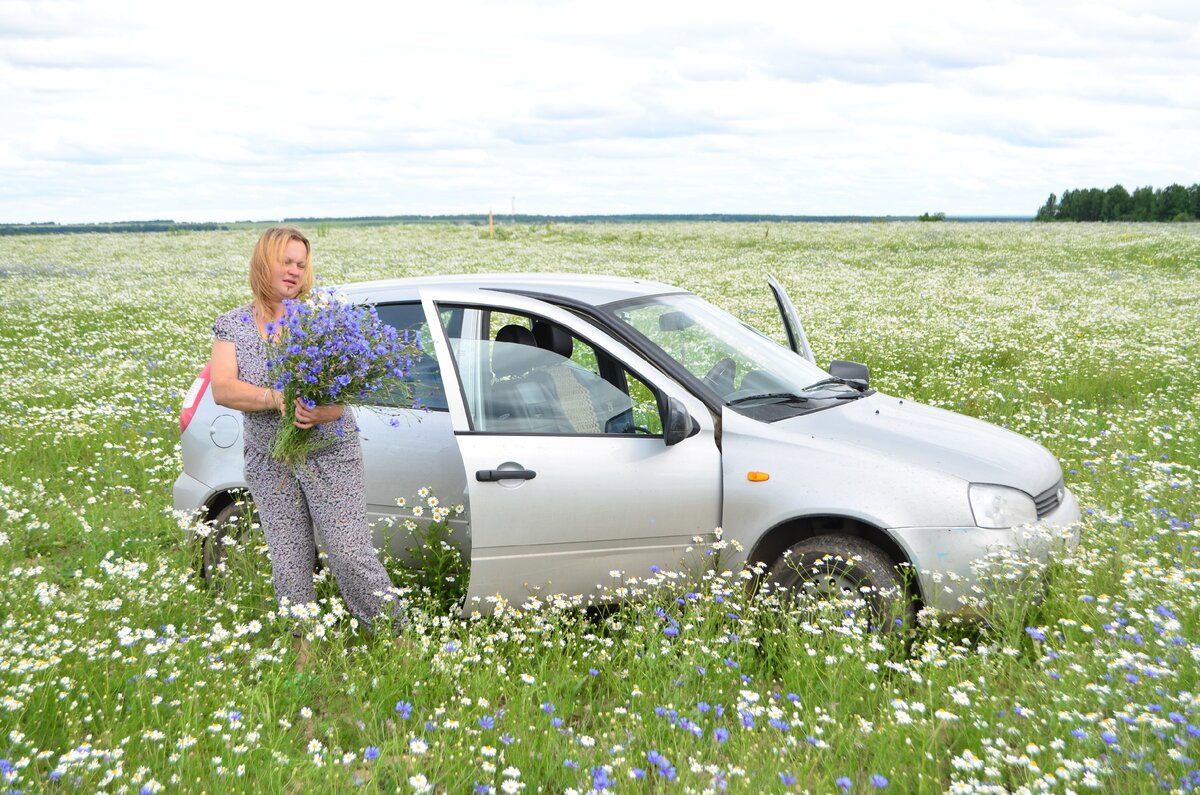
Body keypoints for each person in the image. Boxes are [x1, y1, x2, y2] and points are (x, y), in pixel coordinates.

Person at [209, 226, 405, 649]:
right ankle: (304, 650)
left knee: (349, 553)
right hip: (270, 459)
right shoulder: (233, 325)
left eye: (301, 264)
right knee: (289, 560)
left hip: (330, 451)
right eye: (287, 261)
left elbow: (344, 400)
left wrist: (323, 410)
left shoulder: (322, 320)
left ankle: (393, 636)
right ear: (265, 263)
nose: (295, 271)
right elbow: (222, 388)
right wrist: (274, 397)